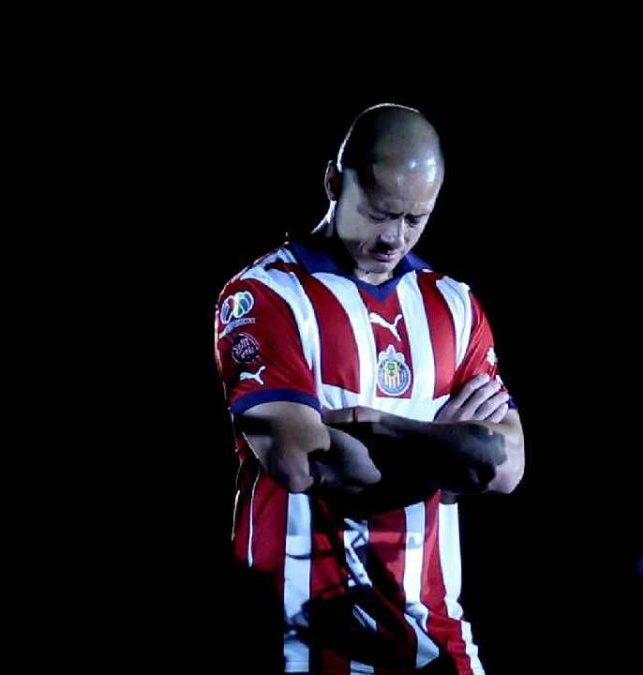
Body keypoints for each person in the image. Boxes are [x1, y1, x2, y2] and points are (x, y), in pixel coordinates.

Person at [214, 103, 525, 675]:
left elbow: (503, 466)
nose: (394, 238)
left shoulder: (453, 305)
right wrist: (449, 452)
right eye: (381, 214)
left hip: (435, 638)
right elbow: (303, 463)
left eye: (415, 219)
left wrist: (378, 426)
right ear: (334, 181)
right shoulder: (266, 297)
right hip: (297, 640)